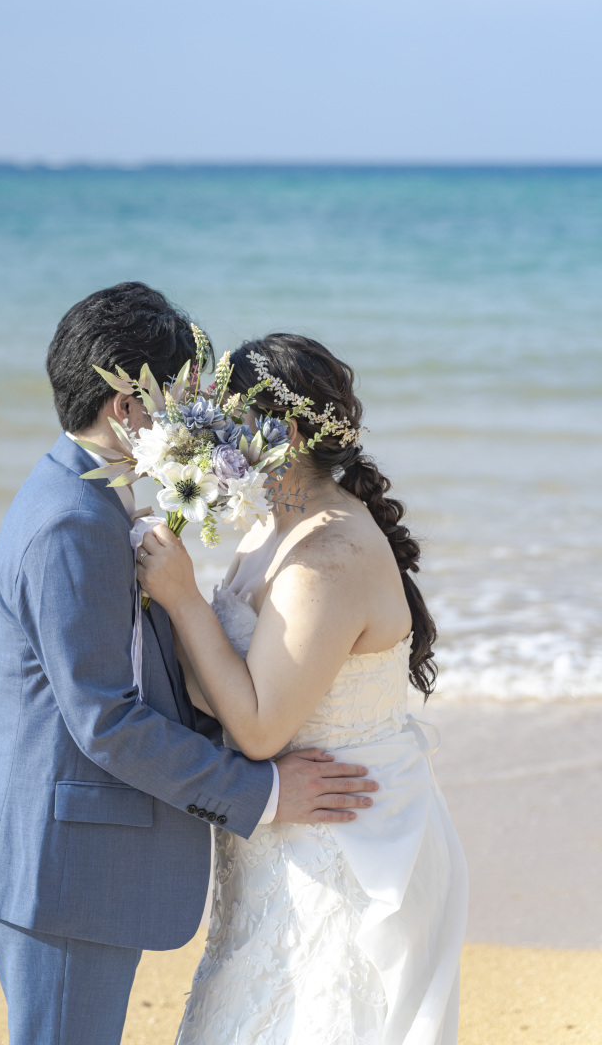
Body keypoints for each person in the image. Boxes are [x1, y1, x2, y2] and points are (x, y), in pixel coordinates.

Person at [0, 289, 378, 1045]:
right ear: (124, 408)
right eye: (174, 398)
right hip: (65, 873)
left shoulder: (91, 499)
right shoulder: (70, 525)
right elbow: (105, 722)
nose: (188, 419)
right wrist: (264, 792)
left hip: (66, 861)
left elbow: (141, 673)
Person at [137, 332, 469, 1045]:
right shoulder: (268, 528)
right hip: (283, 833)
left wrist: (184, 599)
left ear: (281, 432)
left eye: (225, 427)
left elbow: (258, 728)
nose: (213, 444)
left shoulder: (329, 557)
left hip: (345, 844)